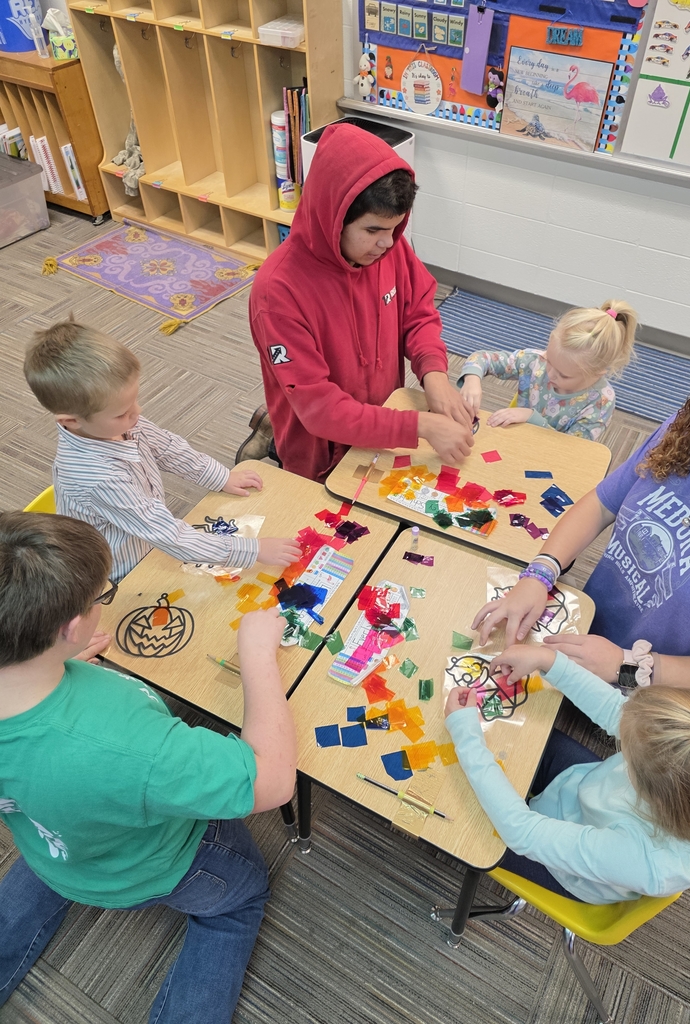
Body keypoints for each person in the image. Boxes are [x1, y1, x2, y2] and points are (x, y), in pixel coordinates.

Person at [0, 512, 296, 1022]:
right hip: (156, 864)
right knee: (239, 899)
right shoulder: (124, 743)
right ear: (71, 627)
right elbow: (273, 782)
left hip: (54, 844)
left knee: (54, 852)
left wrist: (54, 666)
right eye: (102, 598)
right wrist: (258, 657)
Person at [472, 314, 690, 699]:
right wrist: (540, 573)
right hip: (589, 631)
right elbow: (602, 502)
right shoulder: (689, 434)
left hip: (660, 694)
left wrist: (630, 665)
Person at [245, 122, 474, 482]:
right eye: (373, 231)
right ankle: (272, 433)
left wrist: (434, 374)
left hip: (380, 425)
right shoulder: (277, 292)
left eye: (396, 228)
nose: (388, 243)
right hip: (318, 450)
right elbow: (320, 410)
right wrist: (419, 425)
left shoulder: (388, 248)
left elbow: (419, 314)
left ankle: (267, 424)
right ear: (333, 216)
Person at [444, 643, 690, 903]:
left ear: (643, 787)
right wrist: (547, 660)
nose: (621, 741)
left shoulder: (643, 861)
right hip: (580, 791)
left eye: (626, 753)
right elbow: (613, 710)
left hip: (568, 871)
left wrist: (467, 737)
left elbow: (521, 832)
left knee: (459, 818)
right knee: (519, 741)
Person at [24, 320, 301, 582]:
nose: (138, 413)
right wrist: (253, 551)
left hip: (148, 538)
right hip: (119, 574)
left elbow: (169, 447)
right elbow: (167, 535)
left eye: (135, 401)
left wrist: (220, 477)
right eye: (123, 412)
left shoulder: (112, 422)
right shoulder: (98, 478)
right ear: (71, 421)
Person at [458, 300, 638, 441]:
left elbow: (574, 449)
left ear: (597, 372)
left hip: (549, 460)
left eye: (564, 375)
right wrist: (472, 378)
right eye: (550, 361)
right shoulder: (536, 361)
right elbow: (482, 358)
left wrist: (531, 418)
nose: (550, 374)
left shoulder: (601, 401)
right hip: (512, 439)